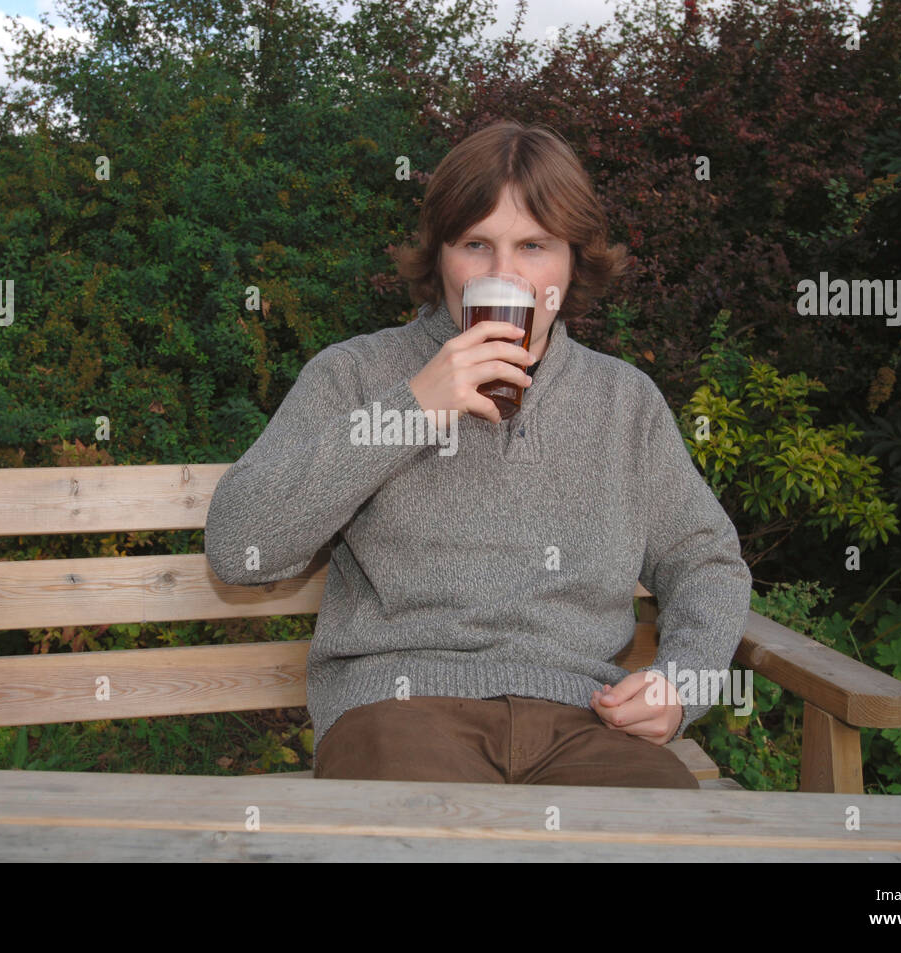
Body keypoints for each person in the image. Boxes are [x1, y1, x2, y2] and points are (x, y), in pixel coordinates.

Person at [204, 119, 753, 788]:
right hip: (400, 710)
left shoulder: (624, 401)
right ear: (439, 256)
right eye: (475, 244)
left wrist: (680, 681)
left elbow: (707, 562)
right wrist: (414, 409)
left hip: (586, 720)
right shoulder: (355, 374)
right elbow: (239, 547)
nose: (505, 275)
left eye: (533, 245)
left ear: (572, 259)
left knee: (659, 822)